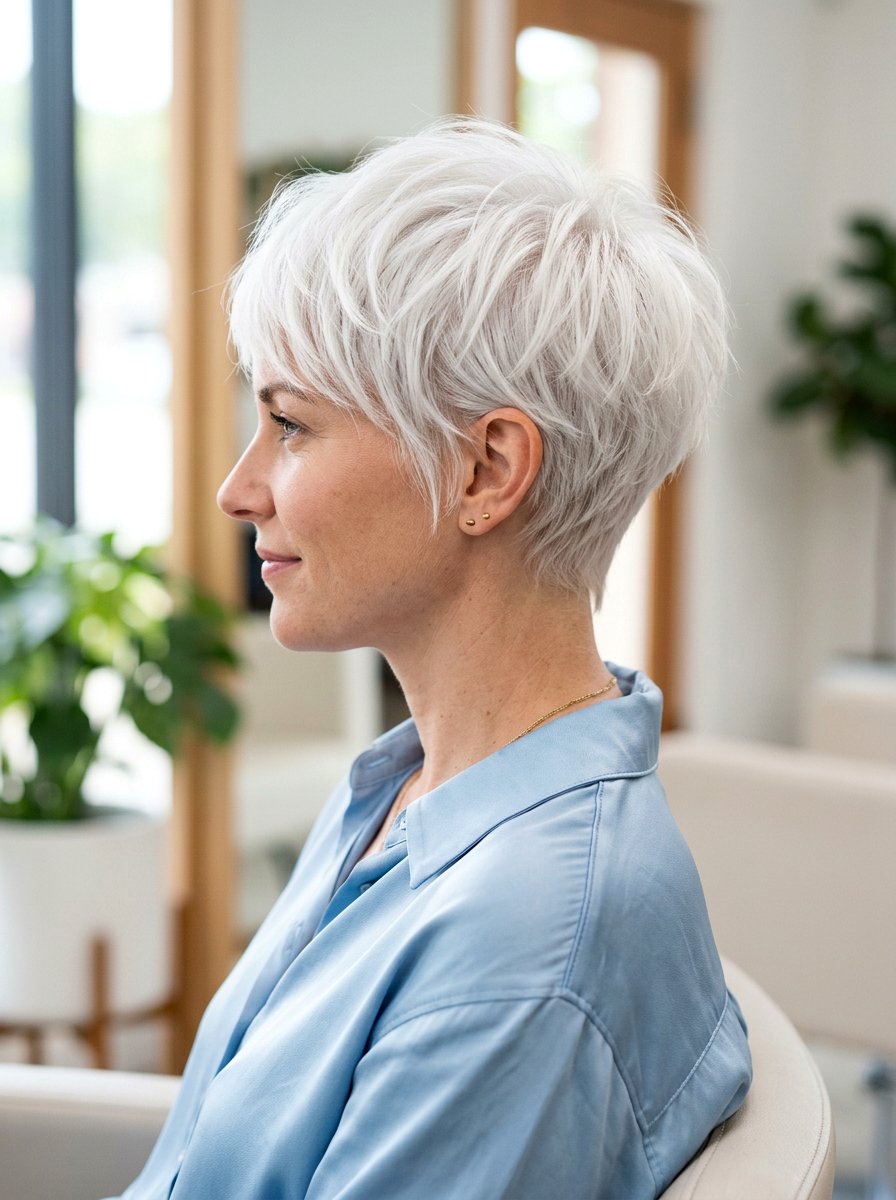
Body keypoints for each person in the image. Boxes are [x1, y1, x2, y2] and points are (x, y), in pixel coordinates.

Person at [116, 118, 751, 1200]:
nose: (239, 488)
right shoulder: (406, 789)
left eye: (289, 425)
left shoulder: (522, 952)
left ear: (483, 471)